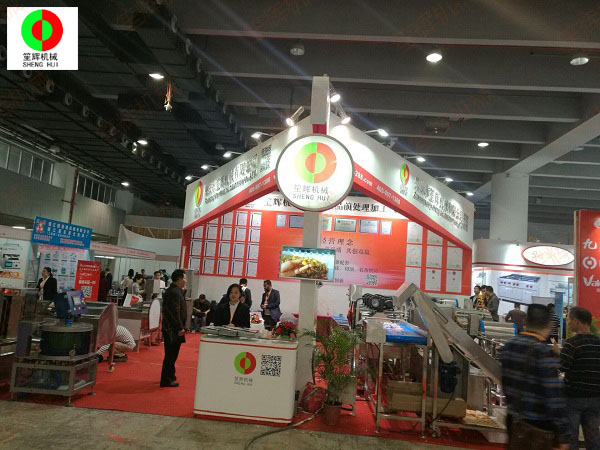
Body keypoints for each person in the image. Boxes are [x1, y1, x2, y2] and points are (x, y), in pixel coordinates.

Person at [500, 304, 569, 449]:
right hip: (538, 428)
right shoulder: (545, 352)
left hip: (514, 420)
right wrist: (562, 433)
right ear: (549, 326)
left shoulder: (509, 346)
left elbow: (504, 382)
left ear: (525, 321)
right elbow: (553, 396)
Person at [560, 307, 600, 450]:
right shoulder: (598, 342)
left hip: (573, 396)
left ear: (576, 321)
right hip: (595, 397)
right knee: (593, 436)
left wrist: (557, 354)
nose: (569, 323)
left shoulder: (572, 343)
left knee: (571, 436)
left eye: (569, 320)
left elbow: (562, 367)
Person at [160, 269, 187, 388]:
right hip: (172, 329)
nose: (186, 281)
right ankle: (166, 379)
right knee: (171, 355)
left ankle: (170, 375)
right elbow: (174, 312)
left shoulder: (175, 291)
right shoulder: (174, 292)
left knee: (172, 354)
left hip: (172, 328)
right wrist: (180, 327)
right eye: (185, 278)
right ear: (180, 279)